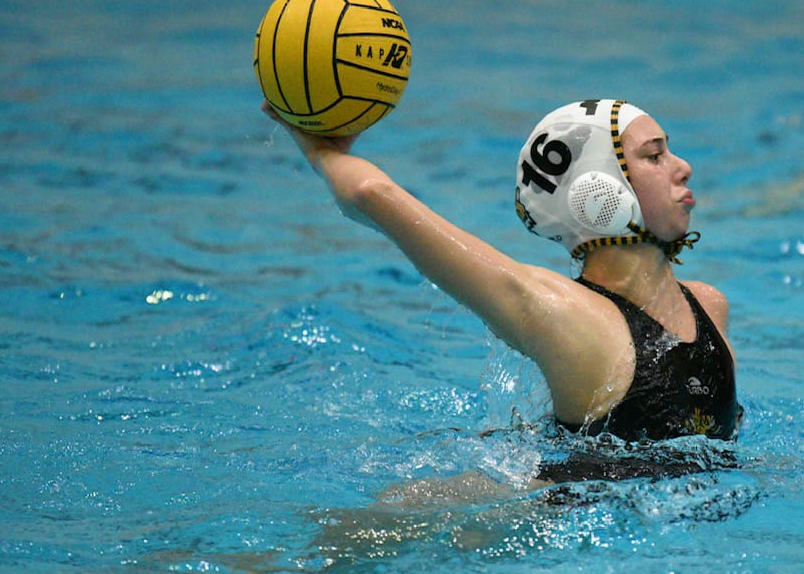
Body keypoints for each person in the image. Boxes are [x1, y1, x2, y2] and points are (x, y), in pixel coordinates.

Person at [265, 98, 742, 487]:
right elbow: (373, 196)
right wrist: (321, 151)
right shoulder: (570, 318)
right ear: (600, 189)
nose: (683, 167)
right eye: (654, 156)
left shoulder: (708, 305)